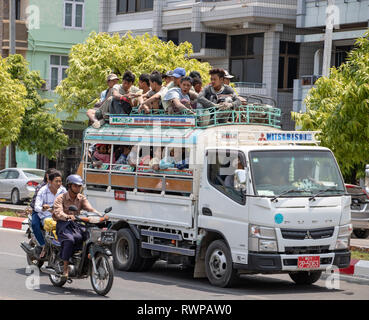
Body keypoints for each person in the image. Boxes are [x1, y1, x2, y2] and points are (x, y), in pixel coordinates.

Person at [53, 174, 100, 278]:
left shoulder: (81, 198)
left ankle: (83, 260)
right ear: (69, 186)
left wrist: (99, 214)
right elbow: (58, 212)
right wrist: (67, 216)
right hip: (63, 224)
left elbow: (89, 208)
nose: (78, 188)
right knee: (69, 240)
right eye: (75, 186)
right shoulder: (61, 198)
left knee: (88, 237)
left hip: (76, 224)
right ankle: (65, 268)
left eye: (79, 186)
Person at [34, 170, 67, 258]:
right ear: (49, 181)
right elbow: (36, 206)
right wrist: (43, 208)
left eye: (60, 181)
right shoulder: (42, 190)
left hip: (60, 215)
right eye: (57, 181)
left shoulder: (63, 190)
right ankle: (45, 246)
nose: (59, 183)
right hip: (46, 216)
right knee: (52, 224)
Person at [29, 168, 56, 257]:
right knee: (35, 224)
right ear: (47, 176)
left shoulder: (59, 188)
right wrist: (42, 207)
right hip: (39, 212)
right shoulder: (40, 187)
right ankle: (43, 245)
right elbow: (34, 203)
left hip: (53, 212)